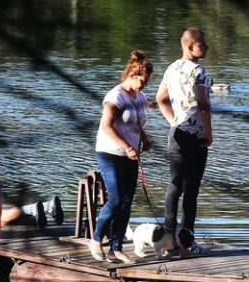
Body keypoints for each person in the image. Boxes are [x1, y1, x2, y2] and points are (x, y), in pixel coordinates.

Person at [89, 50, 154, 263]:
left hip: (131, 155)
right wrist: (127, 147)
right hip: (110, 153)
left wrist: (144, 138)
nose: (144, 85)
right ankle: (96, 238)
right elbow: (106, 127)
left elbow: (136, 123)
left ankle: (116, 248)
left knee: (126, 202)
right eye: (142, 81)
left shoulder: (140, 96)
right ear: (132, 74)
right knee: (116, 199)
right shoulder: (115, 96)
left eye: (146, 82)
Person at [155, 28, 213, 254]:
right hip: (196, 137)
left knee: (174, 185)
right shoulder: (198, 71)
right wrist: (208, 133)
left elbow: (161, 98)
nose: (206, 47)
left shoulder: (172, 68)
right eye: (202, 44)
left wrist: (174, 121)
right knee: (191, 190)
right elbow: (203, 104)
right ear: (190, 46)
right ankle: (187, 239)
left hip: (177, 134)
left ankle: (168, 240)